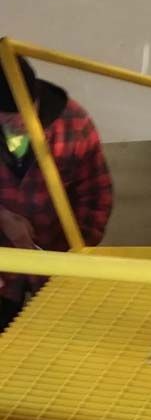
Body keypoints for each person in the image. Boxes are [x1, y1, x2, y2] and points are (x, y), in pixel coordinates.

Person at [0, 57, 113, 330]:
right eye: (8, 116)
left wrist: (76, 255)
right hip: (3, 270)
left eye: (26, 110)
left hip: (58, 264)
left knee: (61, 342)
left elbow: (96, 195)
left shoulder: (73, 124)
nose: (21, 122)